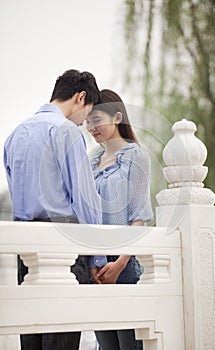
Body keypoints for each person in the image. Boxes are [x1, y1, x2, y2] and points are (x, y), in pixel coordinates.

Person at [3, 69, 107, 350]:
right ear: (80, 97)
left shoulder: (15, 135)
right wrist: (98, 258)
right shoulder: (66, 133)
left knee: (32, 334)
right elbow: (85, 201)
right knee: (62, 335)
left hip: (26, 248)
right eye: (87, 115)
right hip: (64, 247)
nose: (85, 123)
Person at [86, 89, 154, 350]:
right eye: (88, 122)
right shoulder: (92, 159)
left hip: (124, 268)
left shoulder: (136, 156)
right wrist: (91, 263)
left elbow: (139, 216)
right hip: (95, 268)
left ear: (116, 117)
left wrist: (121, 263)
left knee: (130, 346)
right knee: (106, 346)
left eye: (97, 120)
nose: (92, 128)